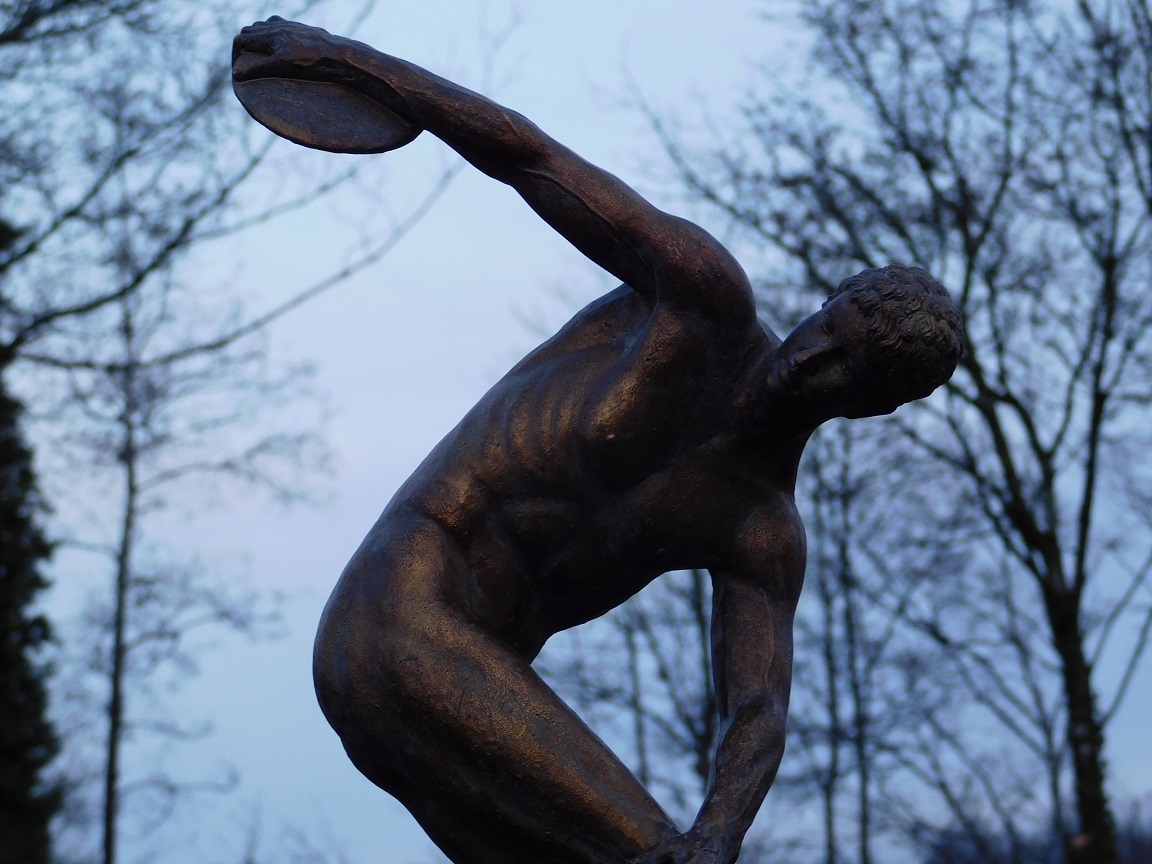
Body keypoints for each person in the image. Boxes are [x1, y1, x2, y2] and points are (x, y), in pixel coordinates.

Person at [233, 17, 964, 864]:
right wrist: (352, 61)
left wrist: (721, 830)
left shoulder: (758, 528)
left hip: (471, 692)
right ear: (823, 304)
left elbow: (758, 707)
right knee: (650, 854)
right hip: (400, 607)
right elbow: (528, 156)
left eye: (845, 369)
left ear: (871, 406)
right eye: (827, 328)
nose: (810, 359)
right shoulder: (701, 302)